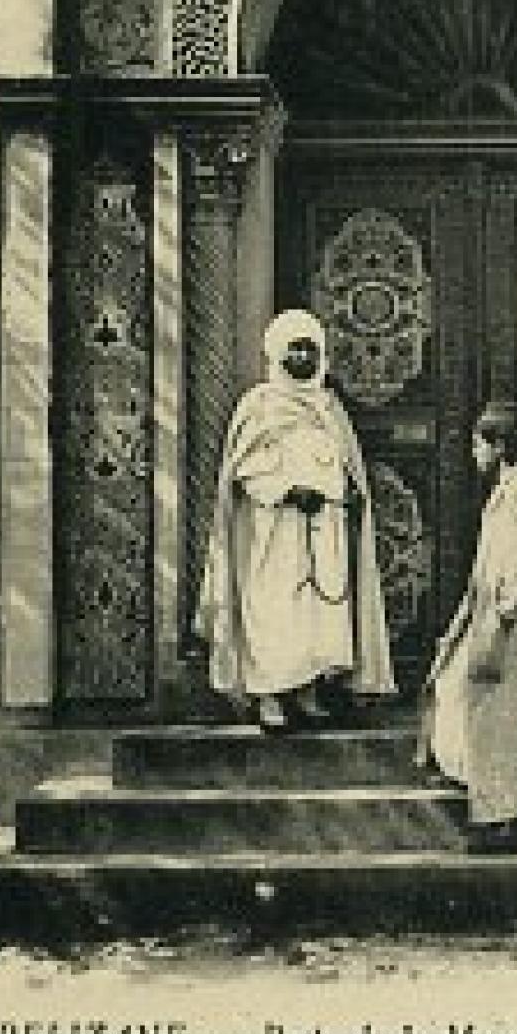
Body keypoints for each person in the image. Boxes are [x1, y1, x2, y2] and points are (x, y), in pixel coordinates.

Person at [196, 308, 395, 729]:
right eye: (295, 348)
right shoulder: (259, 405)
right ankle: (270, 696)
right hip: (274, 530)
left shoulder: (328, 406)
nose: (303, 357)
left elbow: (347, 464)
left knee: (318, 610)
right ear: (275, 352)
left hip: (324, 526)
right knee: (275, 609)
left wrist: (343, 494)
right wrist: (286, 490)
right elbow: (242, 468)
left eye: (310, 349)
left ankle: (307, 692)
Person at [417, 401, 517, 849]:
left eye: (479, 444)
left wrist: (500, 623)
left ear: (497, 445)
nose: (474, 454)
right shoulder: (506, 491)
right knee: (462, 691)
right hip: (495, 615)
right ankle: (479, 790)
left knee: (502, 714)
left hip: (510, 623)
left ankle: (506, 817)